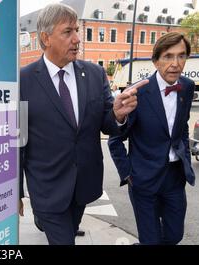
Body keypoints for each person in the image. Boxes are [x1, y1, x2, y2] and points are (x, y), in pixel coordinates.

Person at [19, 3, 147, 245]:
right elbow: (18, 141)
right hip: (46, 188)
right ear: (45, 38)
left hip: (82, 186)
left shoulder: (95, 74)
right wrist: (16, 190)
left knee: (70, 232)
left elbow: (106, 124)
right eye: (68, 32)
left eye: (77, 30)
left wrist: (117, 114)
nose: (77, 39)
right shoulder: (23, 81)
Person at [108, 32, 195, 245]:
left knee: (175, 235)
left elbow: (182, 126)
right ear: (155, 61)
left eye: (181, 56)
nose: (175, 63)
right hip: (142, 180)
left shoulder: (187, 86)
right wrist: (128, 174)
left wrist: (183, 151)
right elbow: (114, 139)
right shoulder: (137, 93)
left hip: (174, 178)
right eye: (168, 56)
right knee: (151, 239)